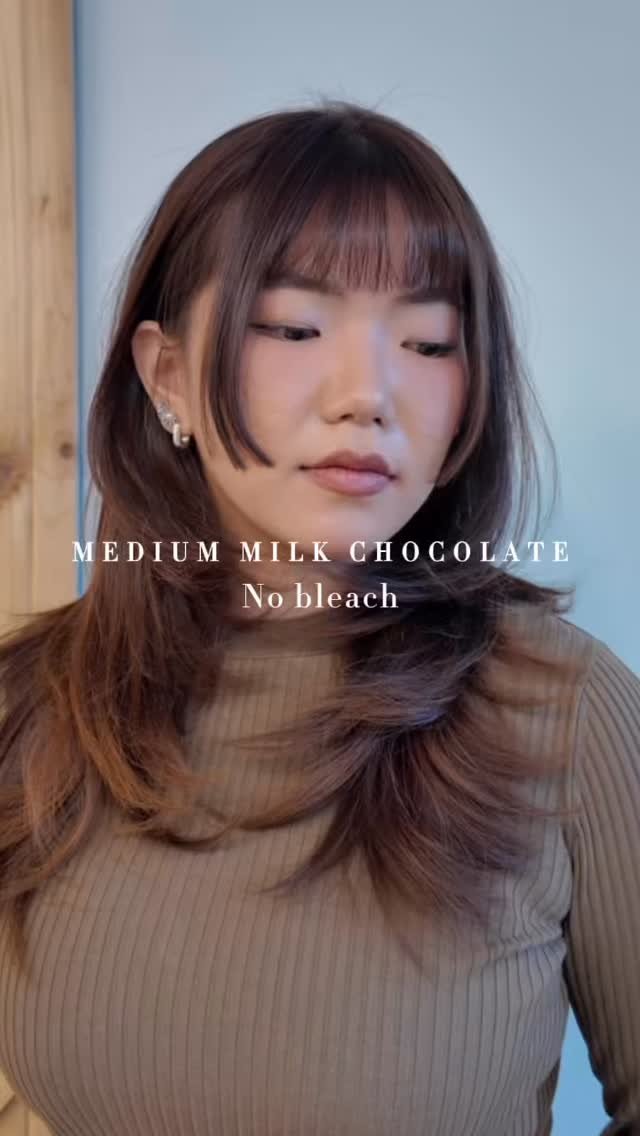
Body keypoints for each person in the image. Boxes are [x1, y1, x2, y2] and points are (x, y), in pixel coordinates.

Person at [0, 97, 638, 1136]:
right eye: (296, 327)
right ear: (169, 376)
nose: (368, 394)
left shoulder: (563, 710)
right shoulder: (29, 707)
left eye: (428, 341)